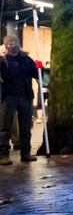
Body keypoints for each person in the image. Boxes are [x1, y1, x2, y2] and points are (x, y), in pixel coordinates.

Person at [0, 35, 40, 165]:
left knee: (25, 126)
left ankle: (26, 153)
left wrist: (39, 68)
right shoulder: (3, 61)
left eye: (15, 43)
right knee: (5, 127)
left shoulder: (26, 60)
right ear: (6, 47)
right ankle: (3, 154)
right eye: (10, 44)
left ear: (19, 44)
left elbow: (36, 74)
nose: (13, 45)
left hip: (25, 96)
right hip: (8, 96)